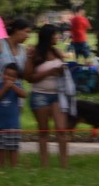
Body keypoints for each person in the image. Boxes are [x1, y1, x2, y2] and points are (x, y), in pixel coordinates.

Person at [24, 24, 68, 168]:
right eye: (55, 35)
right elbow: (29, 77)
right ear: (48, 37)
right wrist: (50, 72)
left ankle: (64, 164)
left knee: (61, 129)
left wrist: (63, 69)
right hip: (40, 95)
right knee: (44, 131)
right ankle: (45, 164)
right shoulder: (35, 54)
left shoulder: (57, 52)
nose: (57, 37)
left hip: (57, 95)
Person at [0, 18, 31, 114]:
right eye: (26, 32)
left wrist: (30, 57)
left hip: (15, 96)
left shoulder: (23, 50)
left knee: (13, 126)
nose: (28, 36)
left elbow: (24, 75)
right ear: (17, 30)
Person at [0, 63, 26, 168]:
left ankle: (13, 166)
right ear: (2, 74)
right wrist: (5, 88)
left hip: (12, 125)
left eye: (11, 76)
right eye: (6, 74)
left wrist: (13, 87)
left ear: (15, 78)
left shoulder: (17, 87)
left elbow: (24, 95)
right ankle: (0, 166)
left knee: (13, 148)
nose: (8, 77)